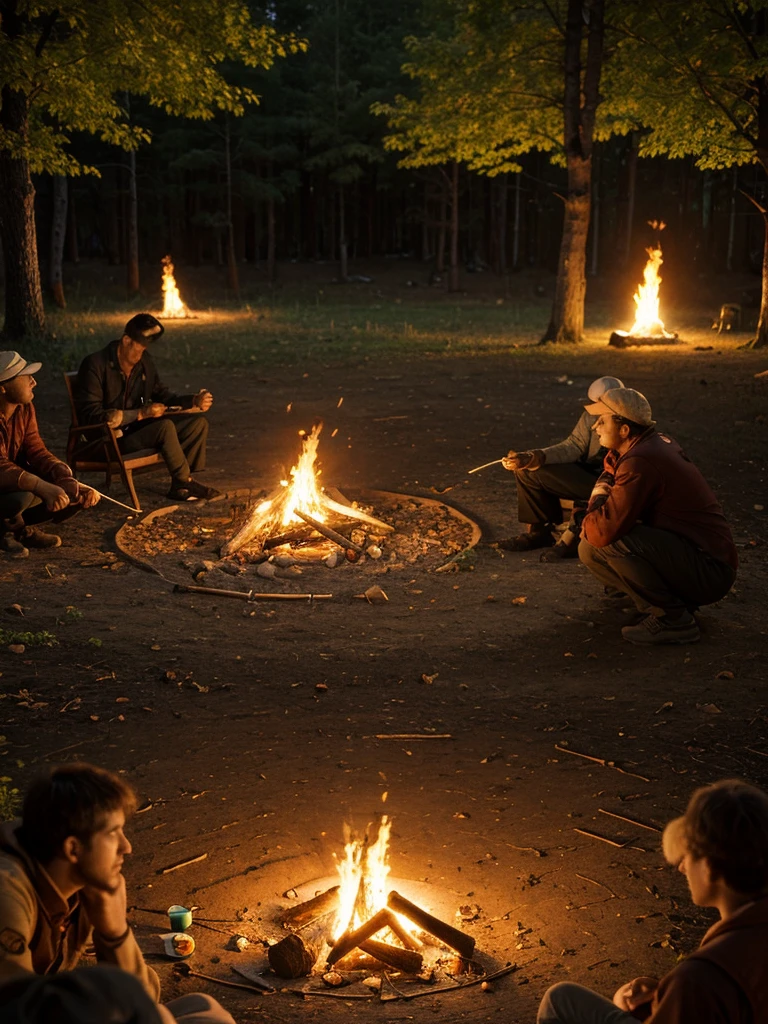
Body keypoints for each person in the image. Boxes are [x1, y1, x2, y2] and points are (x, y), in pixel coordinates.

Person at [0, 763, 235, 1024]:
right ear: (73, 849)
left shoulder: (79, 890)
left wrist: (114, 933)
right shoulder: (7, 892)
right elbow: (15, 1006)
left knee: (201, 1005)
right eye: (113, 833)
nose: (127, 847)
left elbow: (146, 995)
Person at [536, 779, 768, 1024]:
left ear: (709, 867)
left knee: (559, 1000)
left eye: (688, 856)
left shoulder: (699, 977)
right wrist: (663, 995)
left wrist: (674, 994)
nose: (681, 867)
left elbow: (706, 992)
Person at [578, 388, 737, 645]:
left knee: (608, 540)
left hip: (709, 570)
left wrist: (594, 503)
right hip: (698, 557)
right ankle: (653, 602)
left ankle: (674, 619)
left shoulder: (641, 461)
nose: (595, 426)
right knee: (588, 549)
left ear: (625, 430)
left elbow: (602, 530)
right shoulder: (649, 444)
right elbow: (611, 465)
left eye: (602, 420)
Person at [75, 314, 220, 502]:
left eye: (145, 349)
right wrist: (141, 413)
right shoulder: (95, 364)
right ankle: (184, 481)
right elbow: (92, 416)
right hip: (106, 440)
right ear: (126, 341)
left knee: (197, 424)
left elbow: (163, 395)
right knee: (164, 428)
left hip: (134, 431)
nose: (142, 354)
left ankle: (181, 484)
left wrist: (193, 400)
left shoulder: (143, 364)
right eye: (140, 348)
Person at [499, 375, 624, 559]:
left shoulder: (627, 422)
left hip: (610, 483)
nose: (597, 421)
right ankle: (540, 532)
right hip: (585, 474)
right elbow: (574, 445)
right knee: (527, 471)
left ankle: (572, 539)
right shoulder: (591, 416)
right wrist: (534, 457)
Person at [0, 351, 100, 558]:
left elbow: (36, 451)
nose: (34, 382)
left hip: (8, 484)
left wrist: (64, 477)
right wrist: (41, 486)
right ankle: (5, 532)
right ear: (3, 387)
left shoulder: (24, 409)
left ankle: (19, 528)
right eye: (26, 377)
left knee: (65, 491)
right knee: (26, 495)